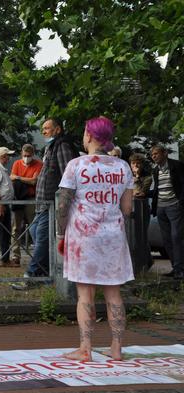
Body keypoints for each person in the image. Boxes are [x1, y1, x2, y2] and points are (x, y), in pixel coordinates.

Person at [56, 116, 133, 361]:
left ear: (89, 136)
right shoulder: (123, 167)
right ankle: (117, 348)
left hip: (83, 237)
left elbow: (63, 204)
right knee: (114, 293)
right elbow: (128, 208)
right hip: (113, 236)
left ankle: (86, 348)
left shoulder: (76, 165)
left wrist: (60, 232)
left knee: (85, 294)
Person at [14, 118, 76, 290]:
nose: (44, 132)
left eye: (47, 128)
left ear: (57, 130)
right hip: (43, 203)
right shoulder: (51, 146)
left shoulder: (62, 145)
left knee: (42, 238)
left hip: (52, 203)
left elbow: (68, 174)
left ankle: (32, 276)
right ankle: (46, 273)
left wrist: (63, 201)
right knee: (36, 233)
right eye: (42, 129)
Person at [150, 145, 184, 279]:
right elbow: (157, 189)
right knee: (167, 239)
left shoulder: (177, 166)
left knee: (176, 237)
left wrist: (180, 202)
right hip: (161, 207)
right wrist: (145, 193)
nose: (154, 156)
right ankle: (175, 268)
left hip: (174, 206)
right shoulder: (155, 170)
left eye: (156, 153)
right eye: (152, 155)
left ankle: (180, 269)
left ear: (165, 153)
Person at [9, 144, 42, 266]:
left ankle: (38, 256)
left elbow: (34, 181)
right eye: (24, 156)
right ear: (21, 154)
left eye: (28, 156)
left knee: (34, 227)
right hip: (18, 198)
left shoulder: (38, 164)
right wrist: (24, 179)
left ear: (32, 155)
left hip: (31, 198)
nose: (26, 158)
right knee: (16, 228)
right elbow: (11, 178)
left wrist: (19, 177)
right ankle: (15, 256)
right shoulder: (17, 163)